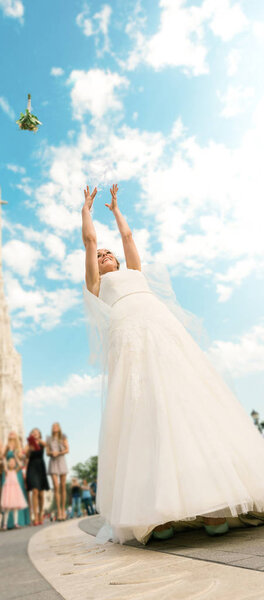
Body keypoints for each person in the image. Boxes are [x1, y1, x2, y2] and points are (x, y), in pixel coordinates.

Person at [82, 183, 264, 544]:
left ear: (118, 260)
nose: (103, 254)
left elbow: (129, 236)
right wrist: (85, 210)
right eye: (99, 254)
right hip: (129, 338)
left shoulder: (135, 271)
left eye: (108, 253)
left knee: (187, 402)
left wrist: (116, 209)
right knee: (143, 413)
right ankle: (155, 512)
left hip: (161, 330)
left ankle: (214, 504)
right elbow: (88, 242)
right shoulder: (96, 286)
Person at [3, 432, 30, 528]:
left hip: (16, 473)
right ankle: (8, 523)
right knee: (8, 497)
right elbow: (3, 457)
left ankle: (19, 521)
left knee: (17, 495)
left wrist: (18, 455)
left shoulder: (18, 448)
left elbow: (22, 458)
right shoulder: (6, 446)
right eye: (10, 433)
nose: (11, 433)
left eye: (14, 433)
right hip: (7, 473)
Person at [25, 428, 49, 526]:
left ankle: (40, 514)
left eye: (36, 432)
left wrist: (38, 441)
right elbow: (25, 455)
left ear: (39, 434)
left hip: (40, 467)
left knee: (41, 494)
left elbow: (47, 446)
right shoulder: (29, 445)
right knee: (35, 491)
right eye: (33, 432)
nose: (35, 433)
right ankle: (35, 516)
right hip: (31, 467)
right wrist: (29, 450)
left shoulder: (42, 443)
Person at [46, 423, 69, 521]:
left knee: (63, 486)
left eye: (56, 426)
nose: (54, 427)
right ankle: (58, 511)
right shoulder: (48, 439)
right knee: (56, 486)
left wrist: (59, 452)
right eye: (53, 426)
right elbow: (47, 452)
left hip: (61, 460)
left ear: (59, 428)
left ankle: (63, 510)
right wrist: (52, 453)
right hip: (53, 461)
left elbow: (67, 449)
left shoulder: (63, 437)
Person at [1, 456, 28, 530]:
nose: (12, 463)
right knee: (7, 509)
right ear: (8, 463)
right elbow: (4, 465)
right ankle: (5, 524)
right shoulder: (7, 471)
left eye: (13, 462)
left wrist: (16, 457)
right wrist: (4, 461)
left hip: (15, 492)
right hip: (9, 493)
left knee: (15, 508)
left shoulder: (15, 471)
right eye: (10, 462)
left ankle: (15, 523)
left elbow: (20, 465)